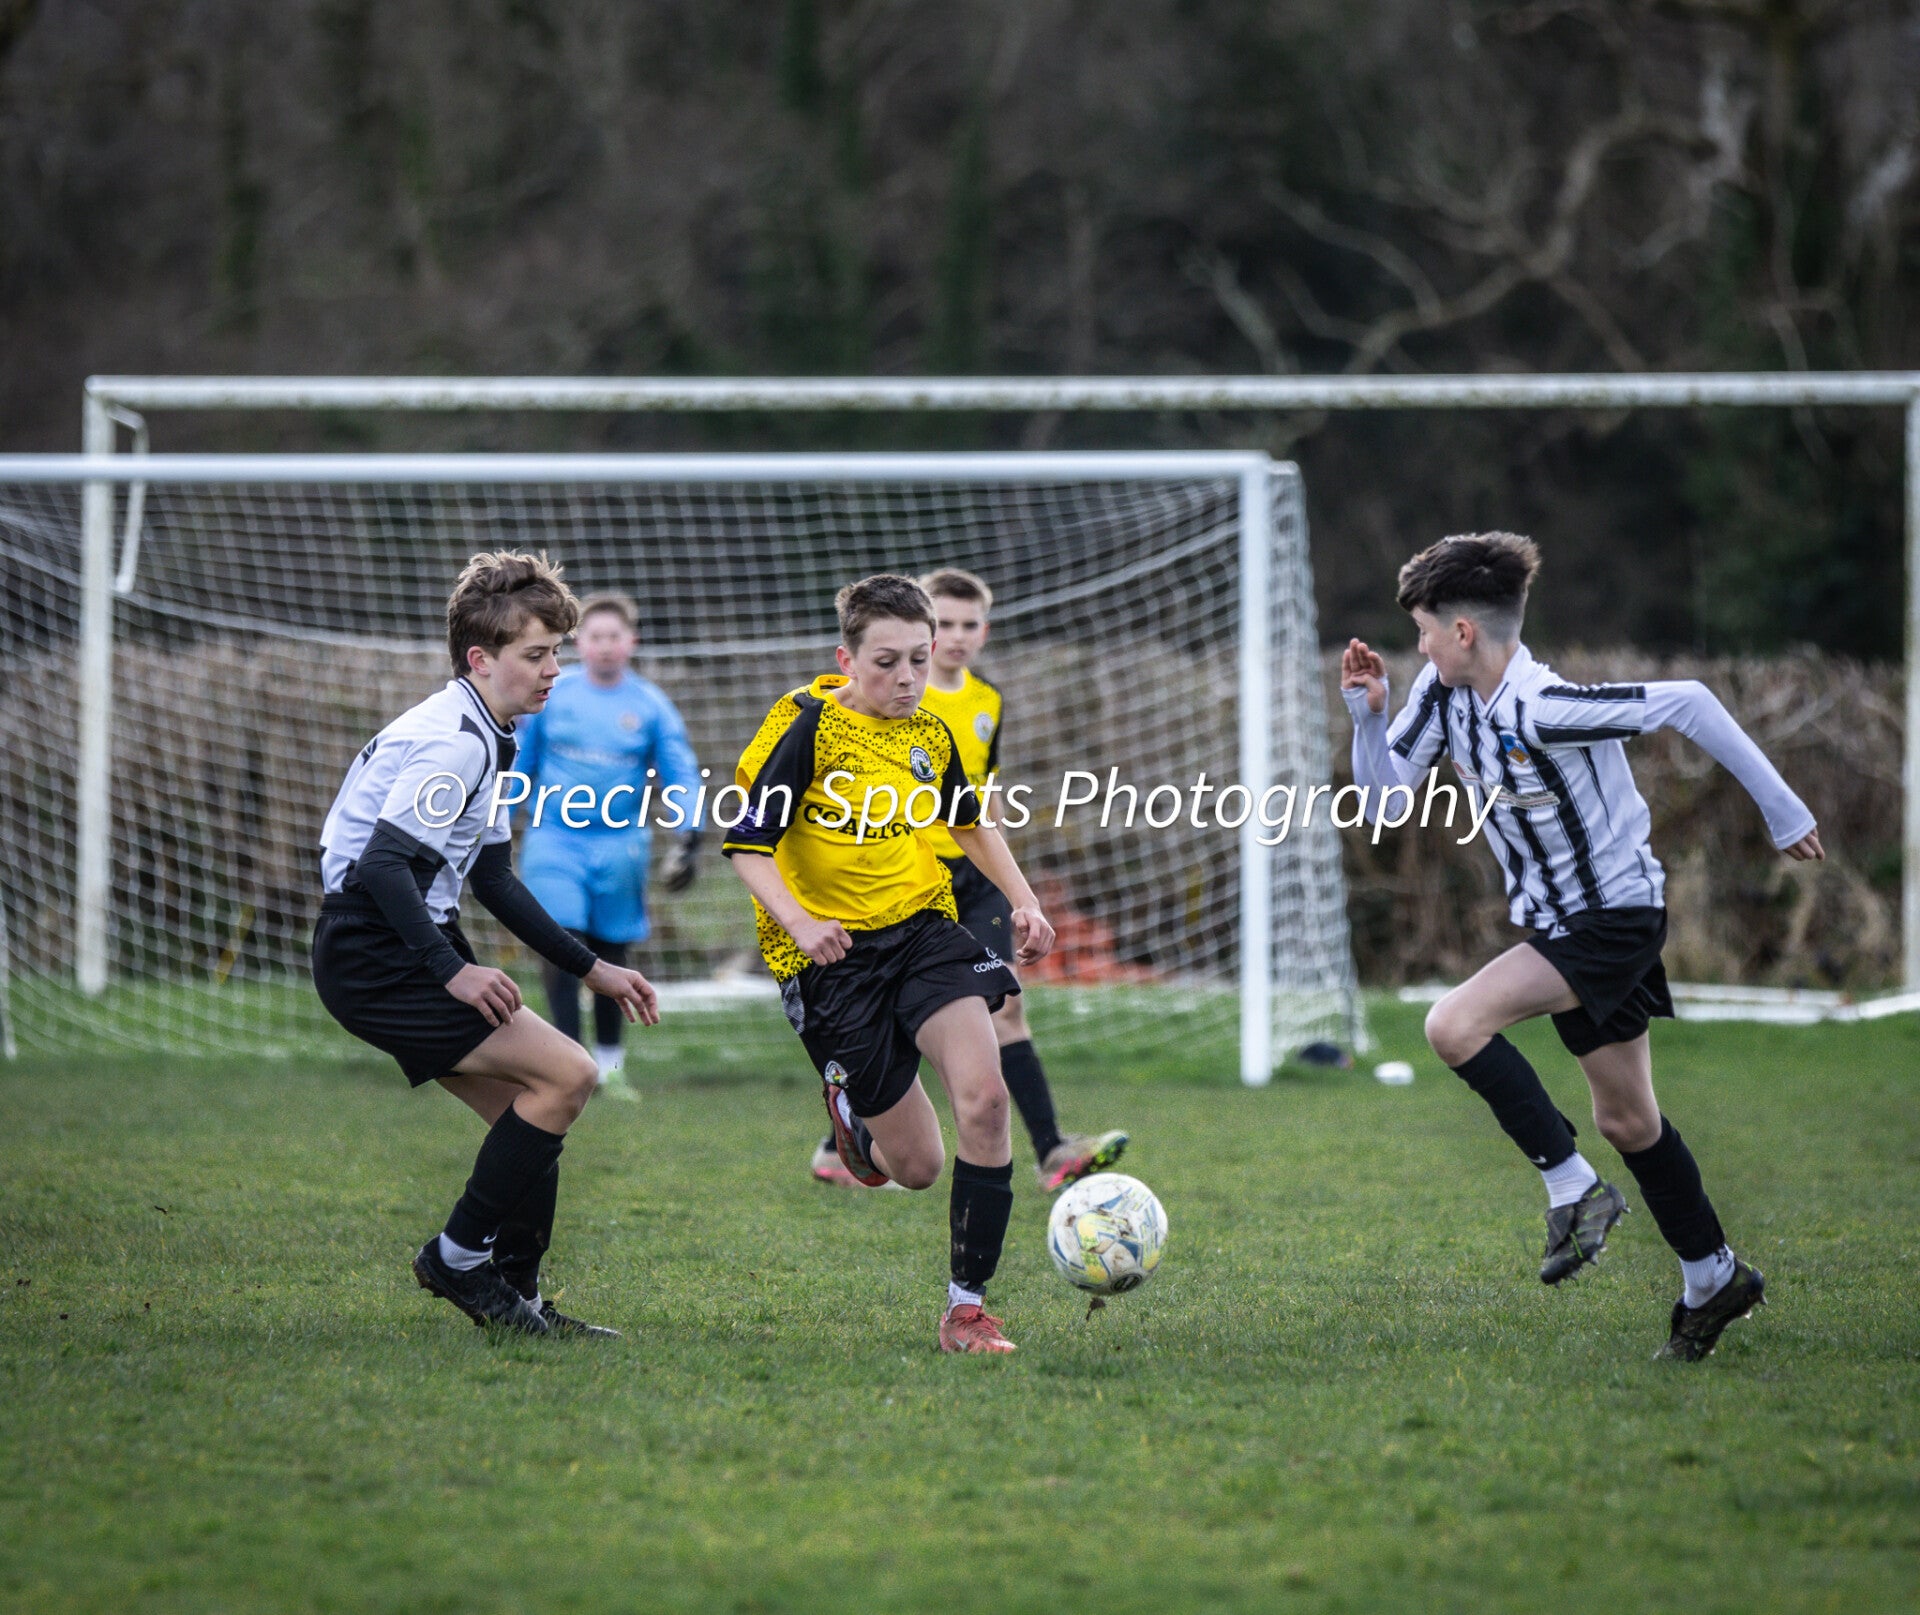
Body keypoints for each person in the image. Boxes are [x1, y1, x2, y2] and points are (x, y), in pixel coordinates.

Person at [1341, 531, 1822, 1361]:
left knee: (1453, 1025)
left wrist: (1785, 812)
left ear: (1463, 632)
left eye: (1423, 629)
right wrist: (1368, 719)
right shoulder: (1443, 695)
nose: (1414, 644)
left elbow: (1693, 701)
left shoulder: (1544, 708)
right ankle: (1713, 1275)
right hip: (1564, 924)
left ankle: (1573, 1189)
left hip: (1615, 917)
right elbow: (1384, 804)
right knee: (1628, 1117)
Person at [312, 551, 659, 1338]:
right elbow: (383, 864)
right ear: (482, 658)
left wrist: (594, 967)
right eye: (536, 655)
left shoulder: (487, 730)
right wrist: (454, 973)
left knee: (531, 1113)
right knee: (569, 1073)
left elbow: (494, 877)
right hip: (378, 949)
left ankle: (518, 1301)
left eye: (555, 653)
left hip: (399, 940)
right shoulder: (456, 743)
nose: (553, 671)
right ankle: (458, 1257)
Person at [724, 574, 1056, 1353]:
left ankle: (966, 1310)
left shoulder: (930, 732)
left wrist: (1024, 899)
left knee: (985, 1100)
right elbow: (746, 844)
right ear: (846, 658)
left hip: (922, 929)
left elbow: (968, 821)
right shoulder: (804, 726)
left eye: (918, 658)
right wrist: (802, 922)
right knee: (915, 1166)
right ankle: (855, 1127)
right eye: (886, 662)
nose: (907, 679)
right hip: (830, 959)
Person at [808, 567, 1127, 1192]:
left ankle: (1051, 1150)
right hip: (911, 879)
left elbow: (981, 795)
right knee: (902, 1014)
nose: (954, 638)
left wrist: (1017, 886)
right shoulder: (894, 695)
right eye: (944, 624)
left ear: (985, 631)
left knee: (1005, 1008)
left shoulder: (987, 701)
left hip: (972, 879)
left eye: (966, 625)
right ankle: (846, 1138)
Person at [512, 592, 701, 1099]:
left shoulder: (649, 704)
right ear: (580, 641)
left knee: (610, 950)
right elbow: (521, 761)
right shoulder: (553, 695)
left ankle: (611, 1067)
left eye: (615, 637)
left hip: (621, 846)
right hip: (554, 838)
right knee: (559, 941)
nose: (605, 646)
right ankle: (570, 1062)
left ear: (631, 642)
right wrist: (496, 815)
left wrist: (690, 830)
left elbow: (679, 770)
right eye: (596, 636)